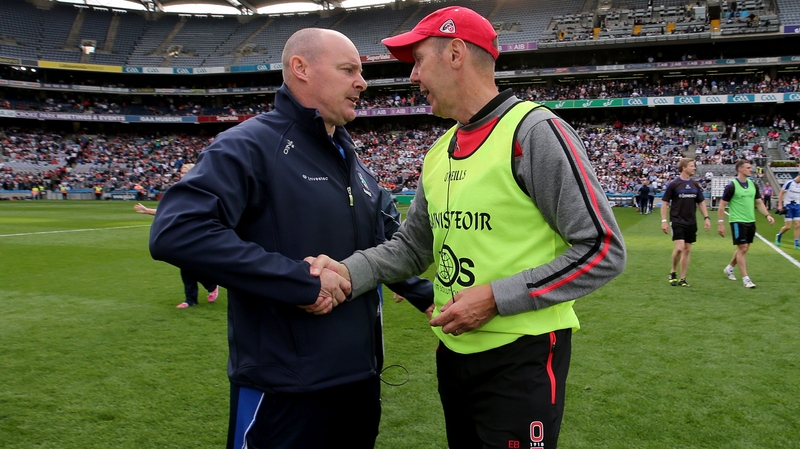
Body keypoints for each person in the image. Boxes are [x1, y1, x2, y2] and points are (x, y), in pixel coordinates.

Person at [307, 7, 626, 449]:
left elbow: (602, 248)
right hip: (453, 355)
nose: (413, 76)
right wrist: (346, 271)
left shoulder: (534, 132)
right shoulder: (438, 152)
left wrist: (496, 298)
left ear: (456, 53)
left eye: (418, 60)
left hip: (522, 357)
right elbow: (411, 249)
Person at [148, 28, 431, 449]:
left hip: (359, 384)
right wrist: (298, 281)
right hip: (282, 390)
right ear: (300, 68)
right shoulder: (249, 146)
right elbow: (176, 231)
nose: (362, 82)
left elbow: (387, 246)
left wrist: (433, 300)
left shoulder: (354, 162)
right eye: (348, 69)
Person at [134, 201, 220, 308]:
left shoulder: (200, 206)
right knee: (186, 268)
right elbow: (167, 213)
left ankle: (209, 287)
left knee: (193, 268)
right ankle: (192, 298)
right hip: (183, 241)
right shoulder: (184, 204)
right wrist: (147, 211)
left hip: (197, 240)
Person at [717, 159, 775, 288]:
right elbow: (722, 205)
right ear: (740, 169)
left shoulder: (753, 185)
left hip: (750, 221)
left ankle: (729, 268)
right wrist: (720, 223)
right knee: (742, 248)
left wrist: (768, 215)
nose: (751, 169)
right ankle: (746, 279)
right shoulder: (732, 186)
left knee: (744, 248)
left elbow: (759, 202)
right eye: (748, 168)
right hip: (737, 221)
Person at [660, 158, 711, 287]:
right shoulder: (674, 184)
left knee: (687, 249)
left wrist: (706, 218)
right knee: (679, 248)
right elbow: (665, 202)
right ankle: (673, 271)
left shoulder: (695, 185)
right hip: (677, 220)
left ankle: (683, 278)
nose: (694, 168)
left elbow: (700, 202)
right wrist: (664, 221)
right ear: (684, 167)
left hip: (691, 222)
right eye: (692, 166)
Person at [775, 174, 800, 249]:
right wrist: (780, 205)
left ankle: (796, 243)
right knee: (788, 226)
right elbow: (781, 193)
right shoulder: (789, 183)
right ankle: (779, 235)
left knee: (797, 224)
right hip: (788, 206)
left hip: (797, 206)